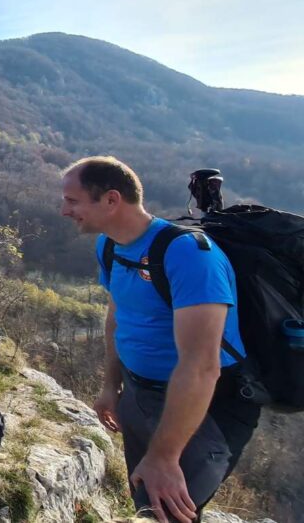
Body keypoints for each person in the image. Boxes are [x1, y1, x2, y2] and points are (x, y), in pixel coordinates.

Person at [60, 156, 260, 523]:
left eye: (72, 201)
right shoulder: (110, 245)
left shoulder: (188, 255)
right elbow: (119, 316)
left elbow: (201, 365)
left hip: (206, 407)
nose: (64, 210)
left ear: (111, 199)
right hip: (139, 395)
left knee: (163, 513)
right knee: (145, 501)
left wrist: (165, 457)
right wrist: (111, 384)